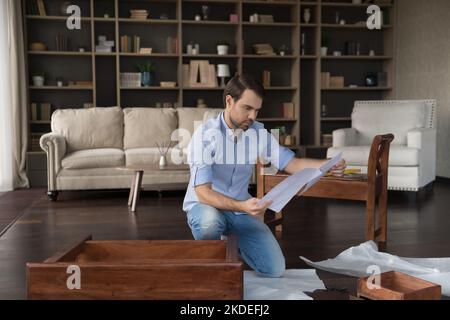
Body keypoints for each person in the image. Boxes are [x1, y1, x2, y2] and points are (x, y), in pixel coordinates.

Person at [182, 73, 346, 278]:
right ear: (229, 101)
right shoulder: (205, 135)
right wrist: (243, 206)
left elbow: (292, 163)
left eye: (257, 110)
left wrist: (326, 165)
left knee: (274, 270)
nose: (253, 116)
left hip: (239, 211)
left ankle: (231, 237)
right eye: (247, 108)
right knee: (209, 222)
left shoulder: (258, 133)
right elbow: (203, 193)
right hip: (206, 206)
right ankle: (213, 256)